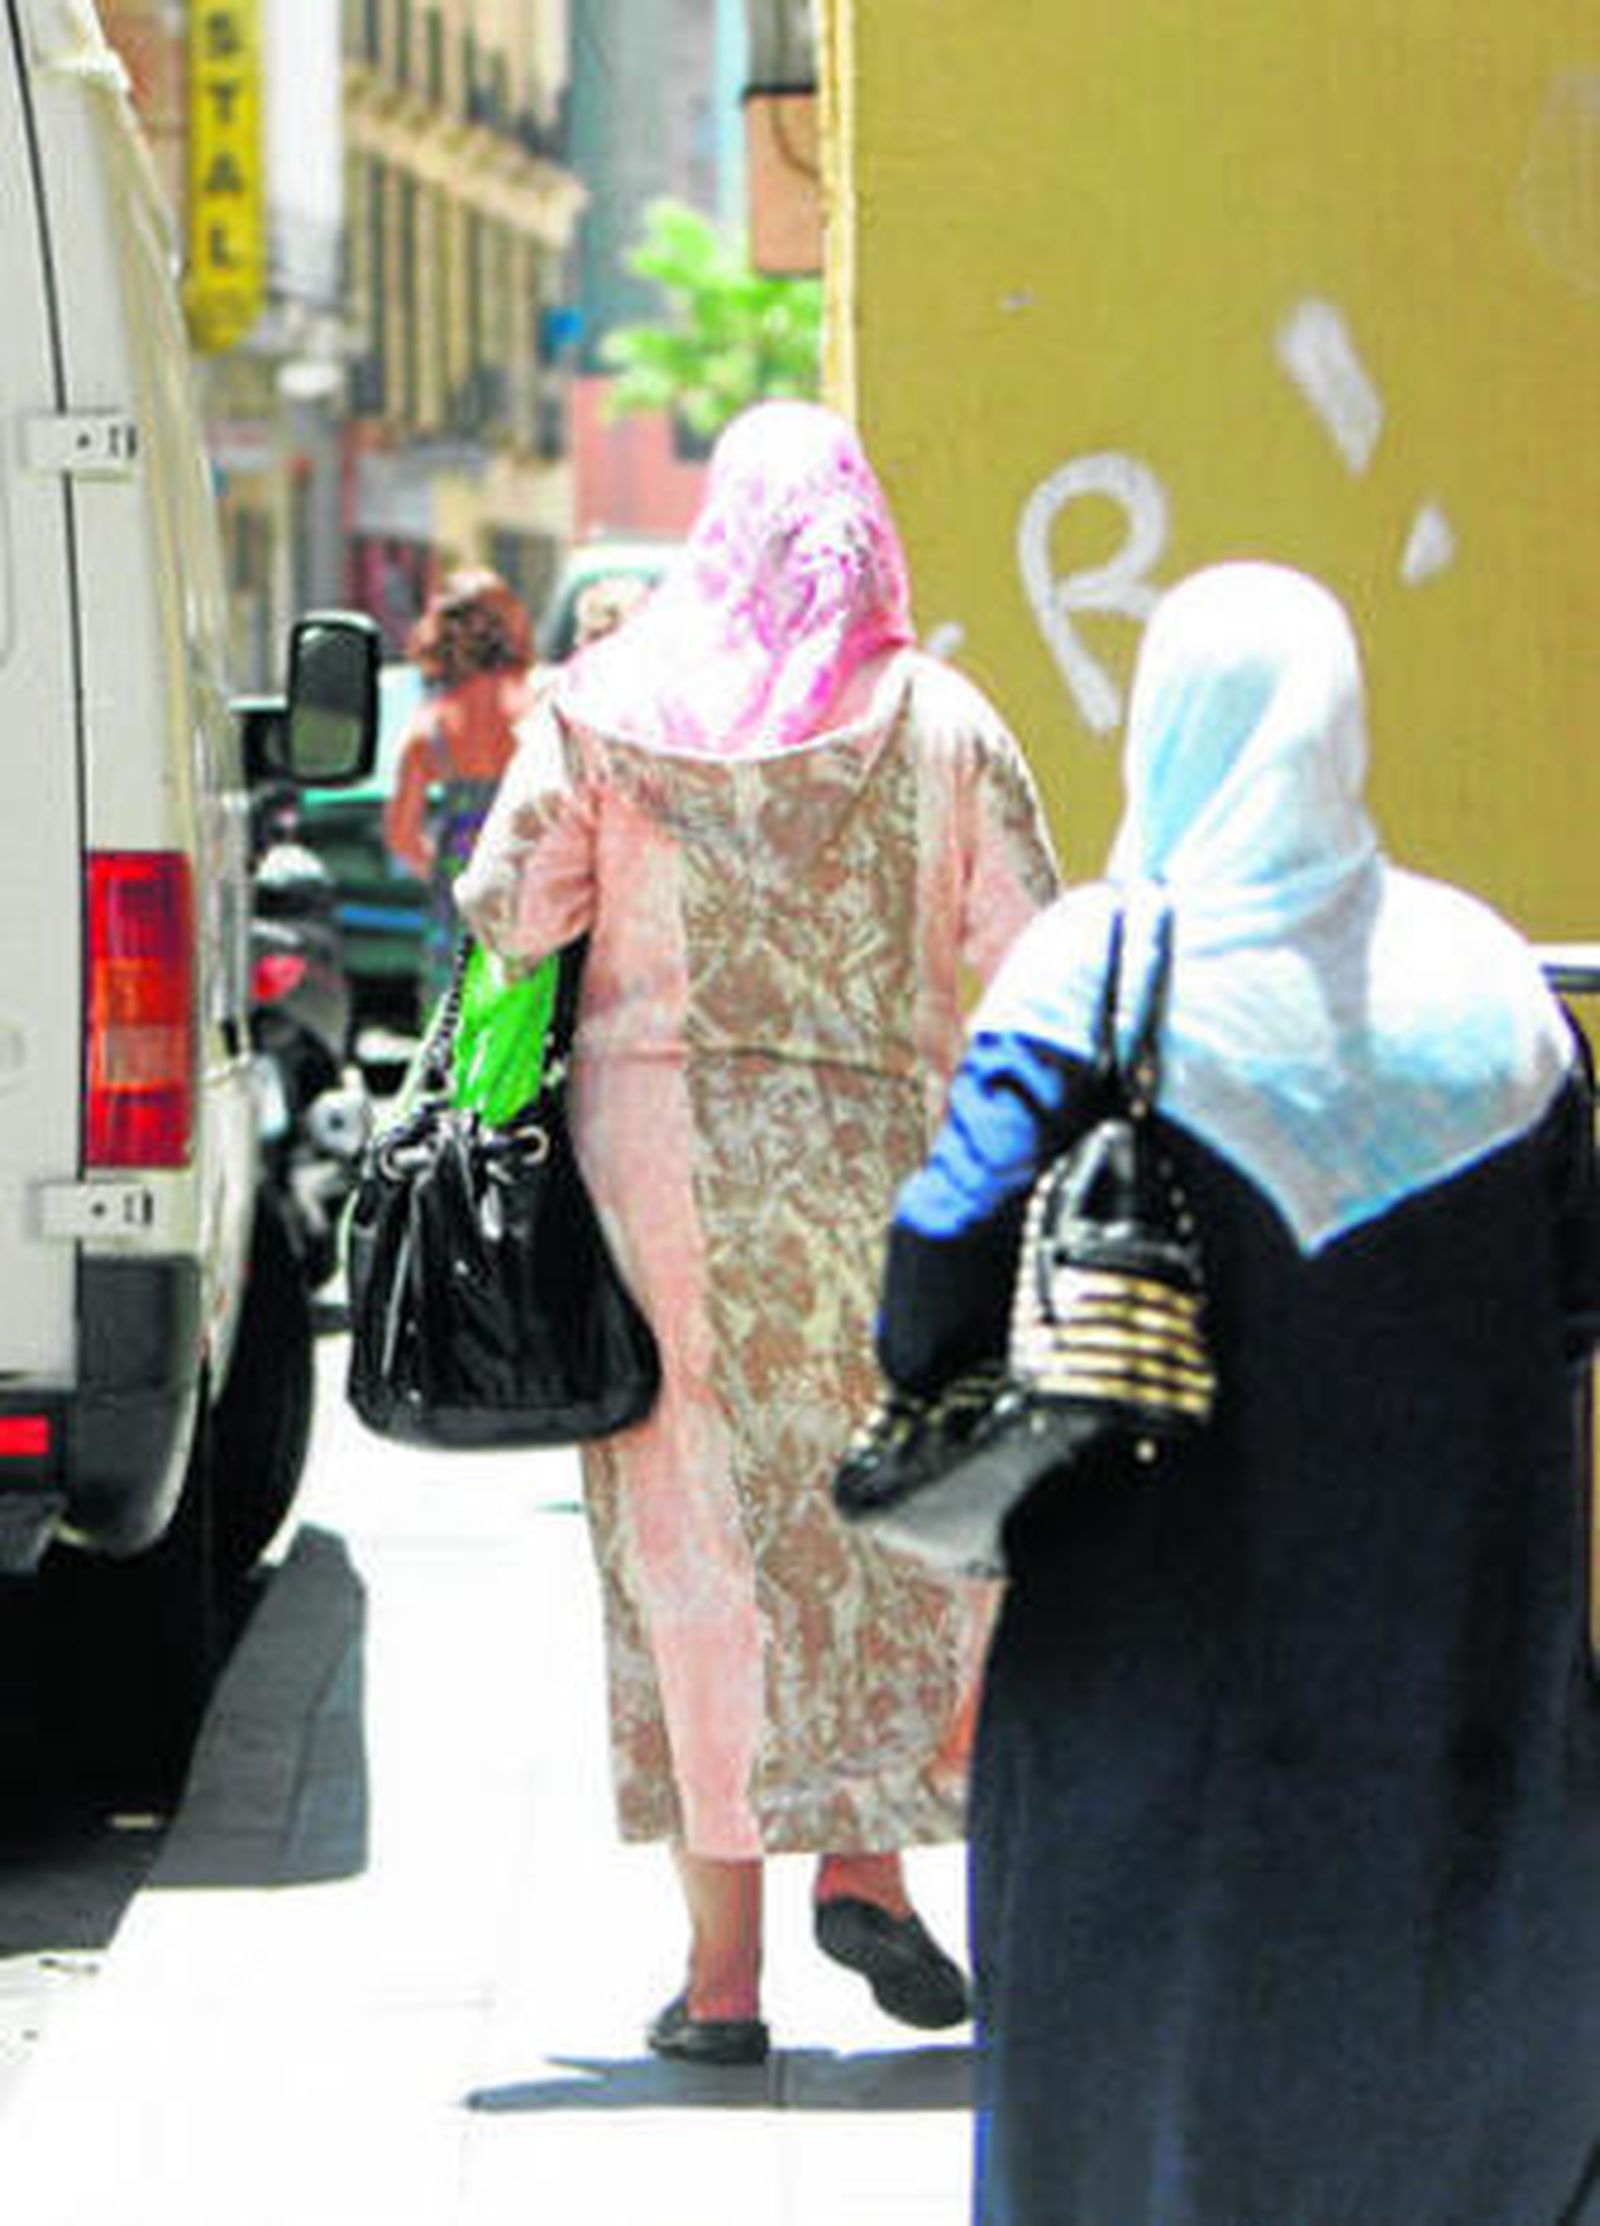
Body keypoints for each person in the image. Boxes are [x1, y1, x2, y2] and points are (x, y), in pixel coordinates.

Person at [874, 561, 1600, 2224]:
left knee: (1138, 2114)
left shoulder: (1092, 979)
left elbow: (932, 1281)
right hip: (1460, 1680)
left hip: (1159, 1696)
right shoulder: (1497, 989)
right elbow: (1572, 1308)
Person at [456, 399, 1061, 2063]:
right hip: (890, 1166)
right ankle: (861, 1859)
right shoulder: (943, 722)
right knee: (884, 1519)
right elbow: (1033, 958)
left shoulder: (606, 708)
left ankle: (720, 1985)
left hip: (659, 1191)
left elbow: (510, 918)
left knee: (695, 1554)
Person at [383, 568, 534, 1003]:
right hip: (527, 896)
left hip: (457, 908)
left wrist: (447, 871)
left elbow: (401, 835)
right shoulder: (539, 705)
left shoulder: (430, 727)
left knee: (452, 1031)